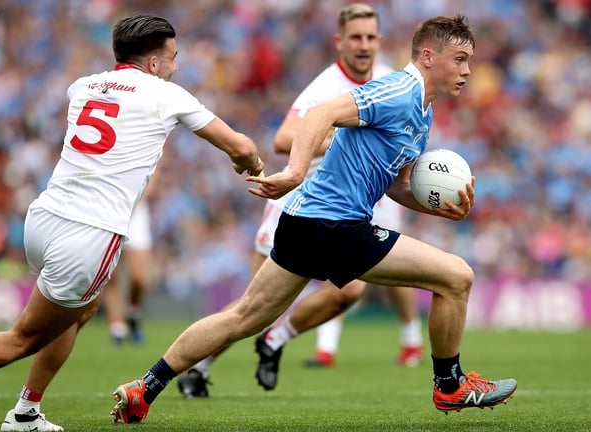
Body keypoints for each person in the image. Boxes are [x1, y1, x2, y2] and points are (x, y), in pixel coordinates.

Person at [0, 14, 265, 432]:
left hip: (44, 217)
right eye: (173, 58)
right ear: (154, 63)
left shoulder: (83, 85)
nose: (176, 66)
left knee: (79, 312)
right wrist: (249, 163)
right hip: (89, 234)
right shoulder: (167, 94)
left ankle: (26, 411)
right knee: (21, 339)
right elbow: (241, 145)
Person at [111, 14, 517, 425]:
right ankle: (449, 387)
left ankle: (144, 387)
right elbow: (319, 114)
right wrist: (295, 171)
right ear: (428, 56)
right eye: (460, 59)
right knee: (457, 277)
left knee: (242, 317)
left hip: (306, 222)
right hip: (334, 225)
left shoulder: (422, 110)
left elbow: (395, 184)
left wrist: (441, 208)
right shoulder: (398, 90)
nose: (468, 70)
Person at [176, 3, 423, 399]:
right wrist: (341, 140)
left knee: (351, 291)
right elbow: (282, 140)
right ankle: (198, 367)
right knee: (251, 306)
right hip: (296, 202)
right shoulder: (325, 87)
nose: (364, 45)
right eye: (356, 37)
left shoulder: (389, 81)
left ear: (380, 40)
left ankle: (276, 338)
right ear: (339, 42)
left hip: (340, 209)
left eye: (371, 37)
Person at [103, 197, 153, 345]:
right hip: (110, 213)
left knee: (139, 277)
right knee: (110, 275)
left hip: (135, 214)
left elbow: (152, 179)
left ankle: (133, 312)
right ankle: (117, 327)